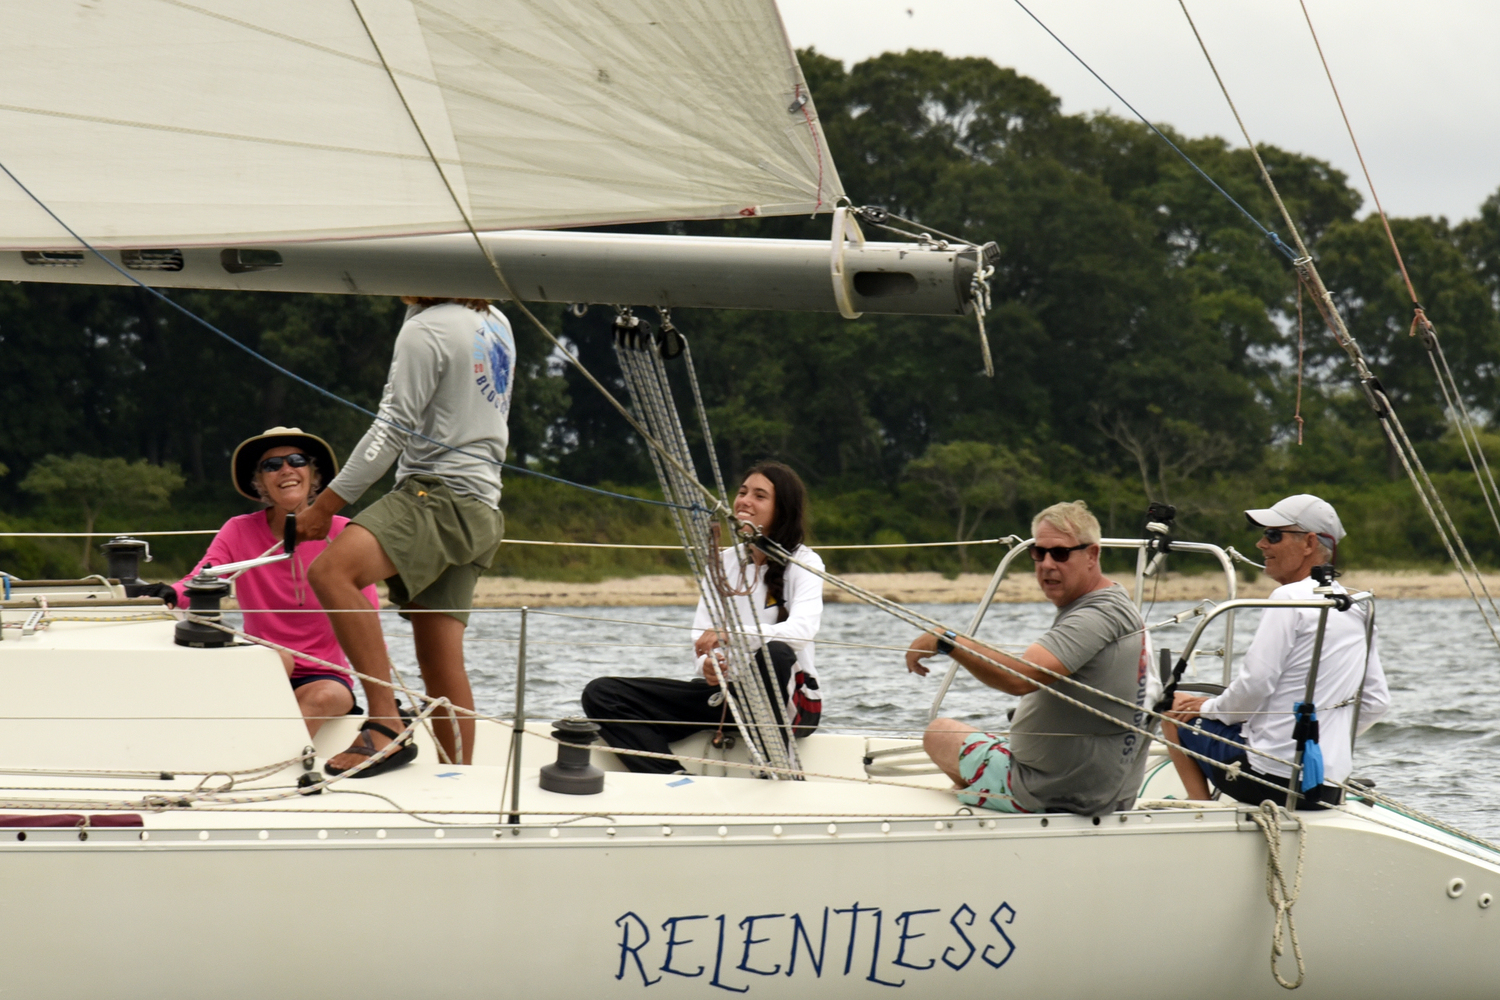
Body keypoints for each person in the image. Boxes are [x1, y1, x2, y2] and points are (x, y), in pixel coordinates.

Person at [299, 297, 513, 776]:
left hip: (437, 494)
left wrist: (325, 507)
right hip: (482, 506)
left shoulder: (428, 329)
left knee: (332, 572)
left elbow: (391, 429)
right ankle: (460, 778)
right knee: (441, 663)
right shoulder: (495, 321)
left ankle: (384, 723)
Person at [905, 500, 1150, 815]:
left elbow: (1019, 678)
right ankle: (980, 789)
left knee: (939, 733)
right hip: (1092, 784)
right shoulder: (1113, 602)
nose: (1047, 564)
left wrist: (948, 641)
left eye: (1060, 553)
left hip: (1051, 791)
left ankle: (983, 795)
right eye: (1039, 552)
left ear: (1092, 555)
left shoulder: (1095, 615)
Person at [582, 462, 825, 773]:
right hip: (727, 699)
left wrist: (730, 635)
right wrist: (708, 664)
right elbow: (702, 637)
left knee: (776, 653)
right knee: (602, 693)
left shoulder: (804, 562)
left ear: (782, 510)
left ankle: (775, 768)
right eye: (742, 492)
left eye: (759, 496)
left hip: (793, 704)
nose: (744, 501)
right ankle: (672, 777)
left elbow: (802, 630)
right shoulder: (722, 563)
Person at [1161, 494, 1390, 808]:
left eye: (1272, 535)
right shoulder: (1356, 605)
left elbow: (1256, 685)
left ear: (1309, 543)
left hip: (1268, 779)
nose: (1260, 544)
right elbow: (1377, 703)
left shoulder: (1287, 598)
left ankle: (1199, 808)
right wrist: (1321, 741)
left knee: (1173, 709)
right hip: (1327, 784)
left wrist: (1206, 708)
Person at [167, 427, 376, 738]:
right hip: (264, 666)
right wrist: (166, 593)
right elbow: (203, 578)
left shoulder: (345, 532)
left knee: (324, 697)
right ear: (260, 482)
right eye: (271, 465)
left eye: (296, 460)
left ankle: (267, 765)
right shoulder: (238, 530)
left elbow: (369, 618)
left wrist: (386, 700)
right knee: (280, 659)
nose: (286, 470)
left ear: (312, 473)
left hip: (327, 678)